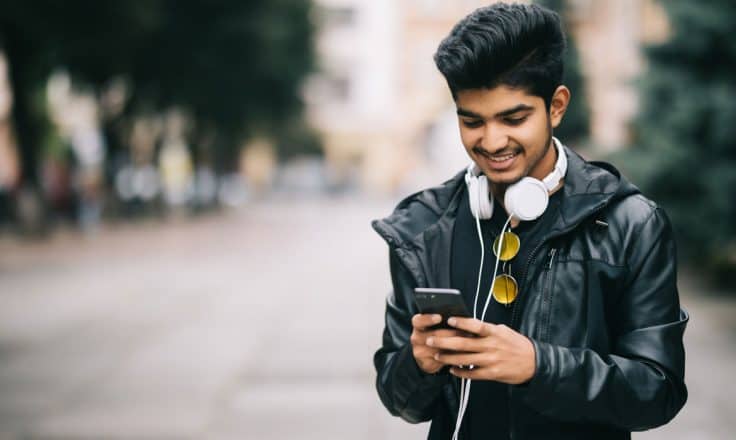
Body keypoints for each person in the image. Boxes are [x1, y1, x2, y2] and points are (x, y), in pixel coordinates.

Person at [371, 3, 688, 440]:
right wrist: (416, 362)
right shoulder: (422, 226)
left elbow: (659, 390)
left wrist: (539, 367)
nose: (492, 141)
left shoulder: (631, 224)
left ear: (556, 107)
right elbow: (398, 398)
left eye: (514, 119)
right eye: (472, 121)